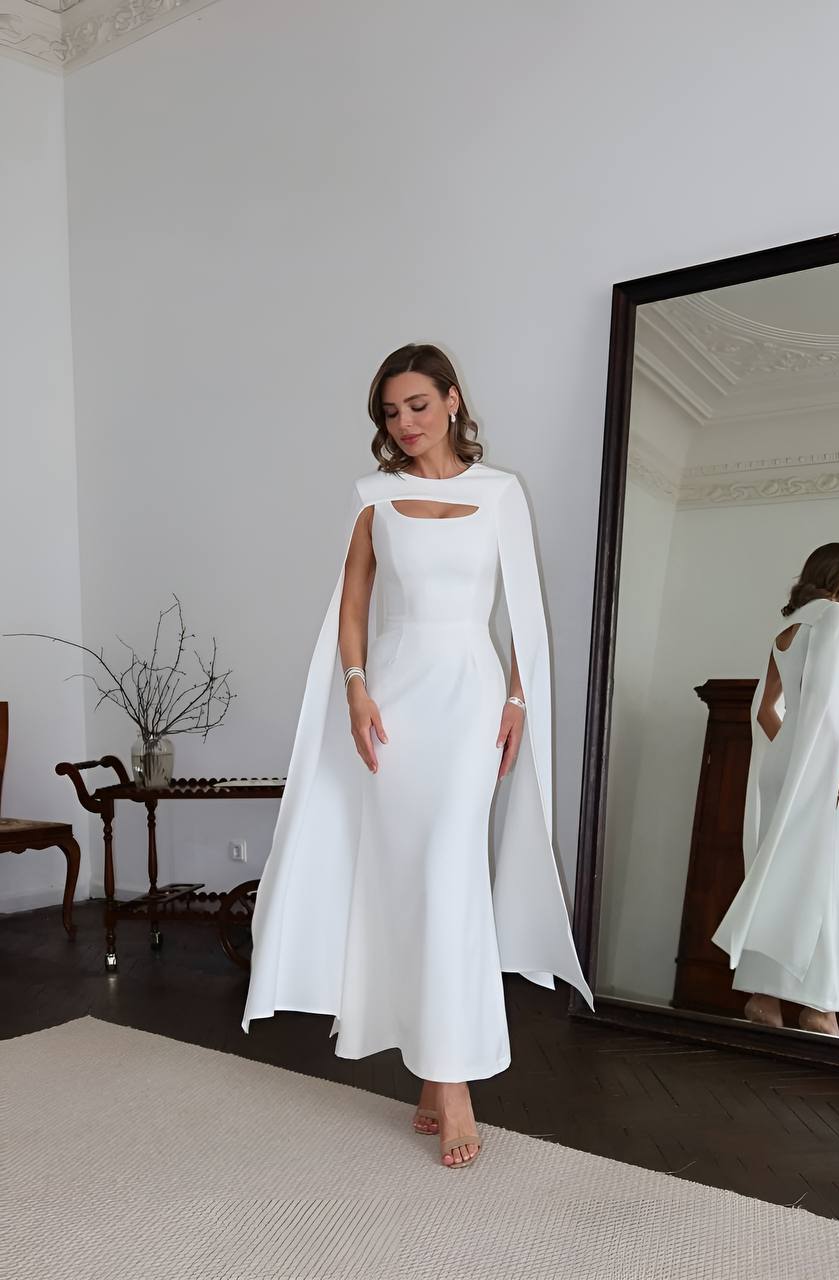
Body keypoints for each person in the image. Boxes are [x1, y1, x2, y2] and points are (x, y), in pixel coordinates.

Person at [241, 343, 594, 1169]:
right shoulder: (373, 496)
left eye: (417, 406)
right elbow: (353, 603)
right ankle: (439, 1075)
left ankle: (453, 1079)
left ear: (452, 399)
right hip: (392, 707)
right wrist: (357, 690)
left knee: (450, 873)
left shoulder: (502, 493)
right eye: (390, 413)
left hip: (470, 701)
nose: (404, 424)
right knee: (405, 879)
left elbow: (526, 616)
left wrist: (515, 699)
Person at [712, 544, 839, 1037]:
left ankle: (763, 996)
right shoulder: (834, 618)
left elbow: (765, 711)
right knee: (827, 879)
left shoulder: (787, 629)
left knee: (780, 872)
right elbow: (825, 701)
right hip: (821, 768)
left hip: (785, 764)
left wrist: (790, 756)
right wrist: (832, 761)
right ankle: (820, 1007)